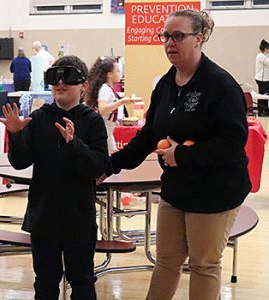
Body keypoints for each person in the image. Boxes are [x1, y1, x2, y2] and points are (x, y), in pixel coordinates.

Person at [103, 10, 251, 300]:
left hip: (215, 190)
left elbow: (233, 141)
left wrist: (182, 155)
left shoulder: (220, 85)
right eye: (166, 36)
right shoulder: (166, 85)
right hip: (177, 188)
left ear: (199, 38)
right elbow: (149, 135)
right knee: (167, 260)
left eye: (179, 36)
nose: (170, 42)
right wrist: (110, 166)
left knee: (203, 264)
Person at [0, 55, 109, 300]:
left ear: (84, 85)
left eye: (68, 76)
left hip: (78, 218)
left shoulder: (92, 121)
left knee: (82, 281)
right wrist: (15, 135)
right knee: (45, 282)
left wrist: (74, 144)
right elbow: (20, 162)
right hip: (43, 216)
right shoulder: (39, 118)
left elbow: (99, 166)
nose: (60, 83)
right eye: (54, 77)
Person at [85, 57, 133, 153]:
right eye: (118, 71)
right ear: (109, 75)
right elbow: (102, 109)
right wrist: (122, 102)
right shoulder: (105, 89)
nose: (120, 74)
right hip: (103, 131)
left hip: (107, 132)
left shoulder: (109, 89)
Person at [255, 39, 269, 116]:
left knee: (265, 95)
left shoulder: (264, 55)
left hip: (265, 79)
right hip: (262, 79)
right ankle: (262, 111)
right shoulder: (261, 56)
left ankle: (265, 110)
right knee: (263, 95)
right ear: (265, 49)